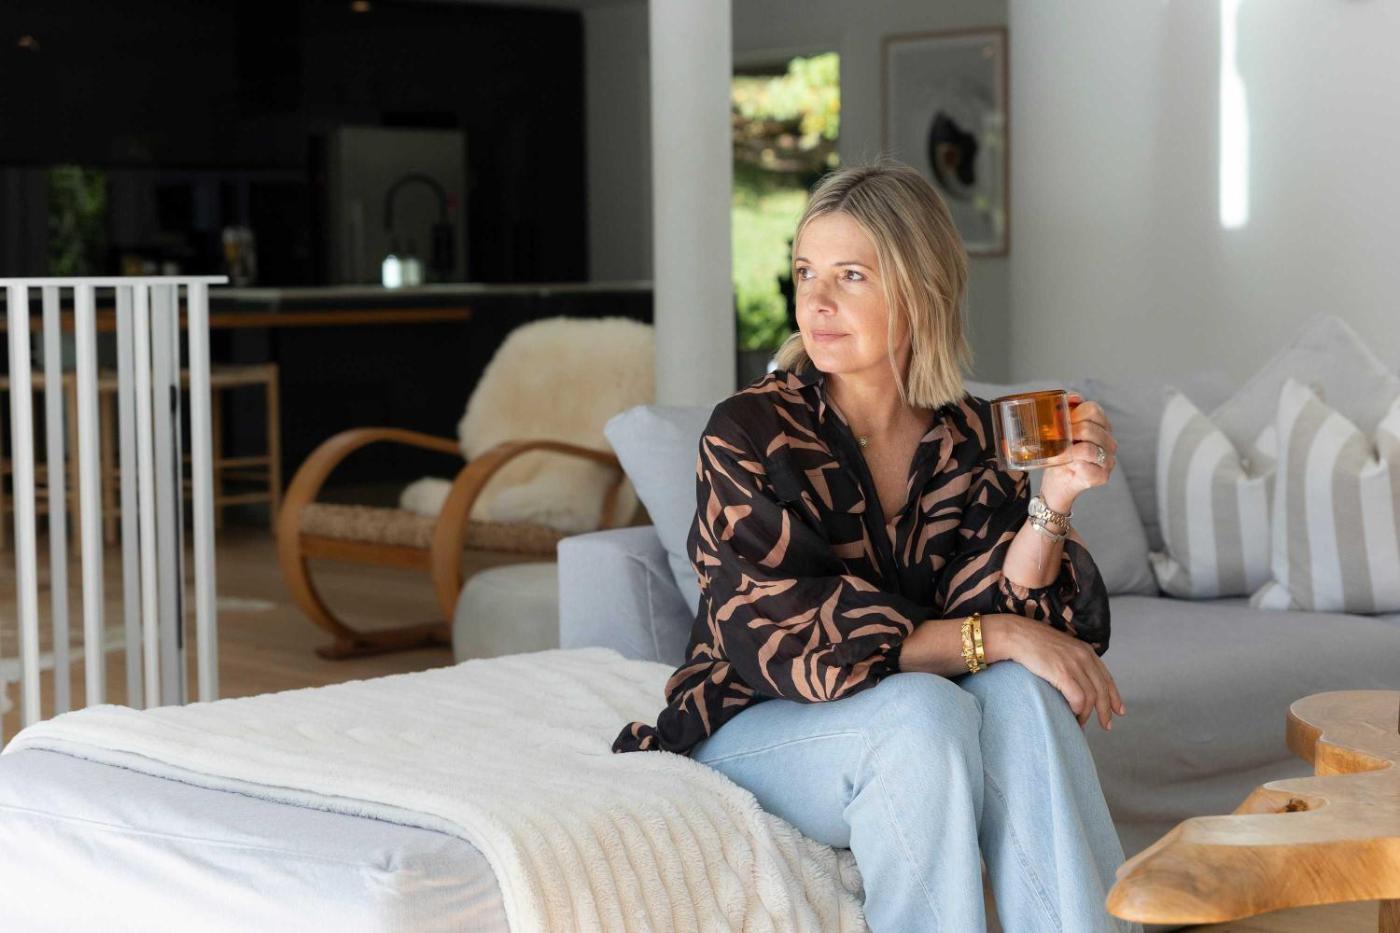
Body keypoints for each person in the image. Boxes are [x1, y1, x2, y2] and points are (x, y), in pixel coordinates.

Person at [613, 161, 1138, 933]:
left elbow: (1006, 607)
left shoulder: (966, 433)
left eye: (850, 275)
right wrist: (992, 635)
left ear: (920, 290)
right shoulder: (749, 433)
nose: (816, 302)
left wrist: (1051, 501)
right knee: (924, 714)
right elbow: (797, 638)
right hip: (755, 720)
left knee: (1022, 695)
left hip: (910, 711)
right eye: (805, 272)